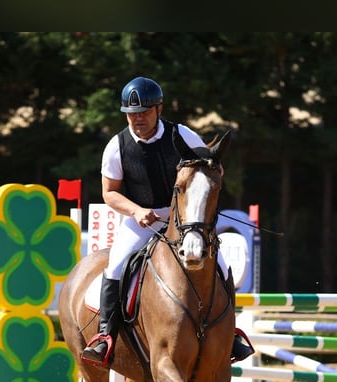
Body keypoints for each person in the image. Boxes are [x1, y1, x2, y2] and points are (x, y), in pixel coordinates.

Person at [81, 76, 254, 367]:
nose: (137, 119)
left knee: (221, 265)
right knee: (116, 266)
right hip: (141, 221)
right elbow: (109, 193)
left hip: (185, 221)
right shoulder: (116, 146)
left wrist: (212, 176)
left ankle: (230, 335)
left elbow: (209, 165)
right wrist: (136, 211)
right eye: (132, 114)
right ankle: (105, 337)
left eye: (144, 113)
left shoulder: (182, 134)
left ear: (159, 109)